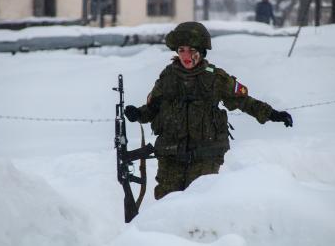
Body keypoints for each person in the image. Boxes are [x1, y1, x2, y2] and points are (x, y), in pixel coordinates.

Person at [124, 22, 292, 200]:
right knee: (167, 203)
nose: (186, 56)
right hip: (171, 155)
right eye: (181, 50)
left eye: (191, 50)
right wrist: (138, 114)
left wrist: (272, 114)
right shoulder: (168, 77)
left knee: (199, 202)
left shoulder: (215, 77)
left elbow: (244, 102)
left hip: (206, 155)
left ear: (202, 50)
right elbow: (153, 109)